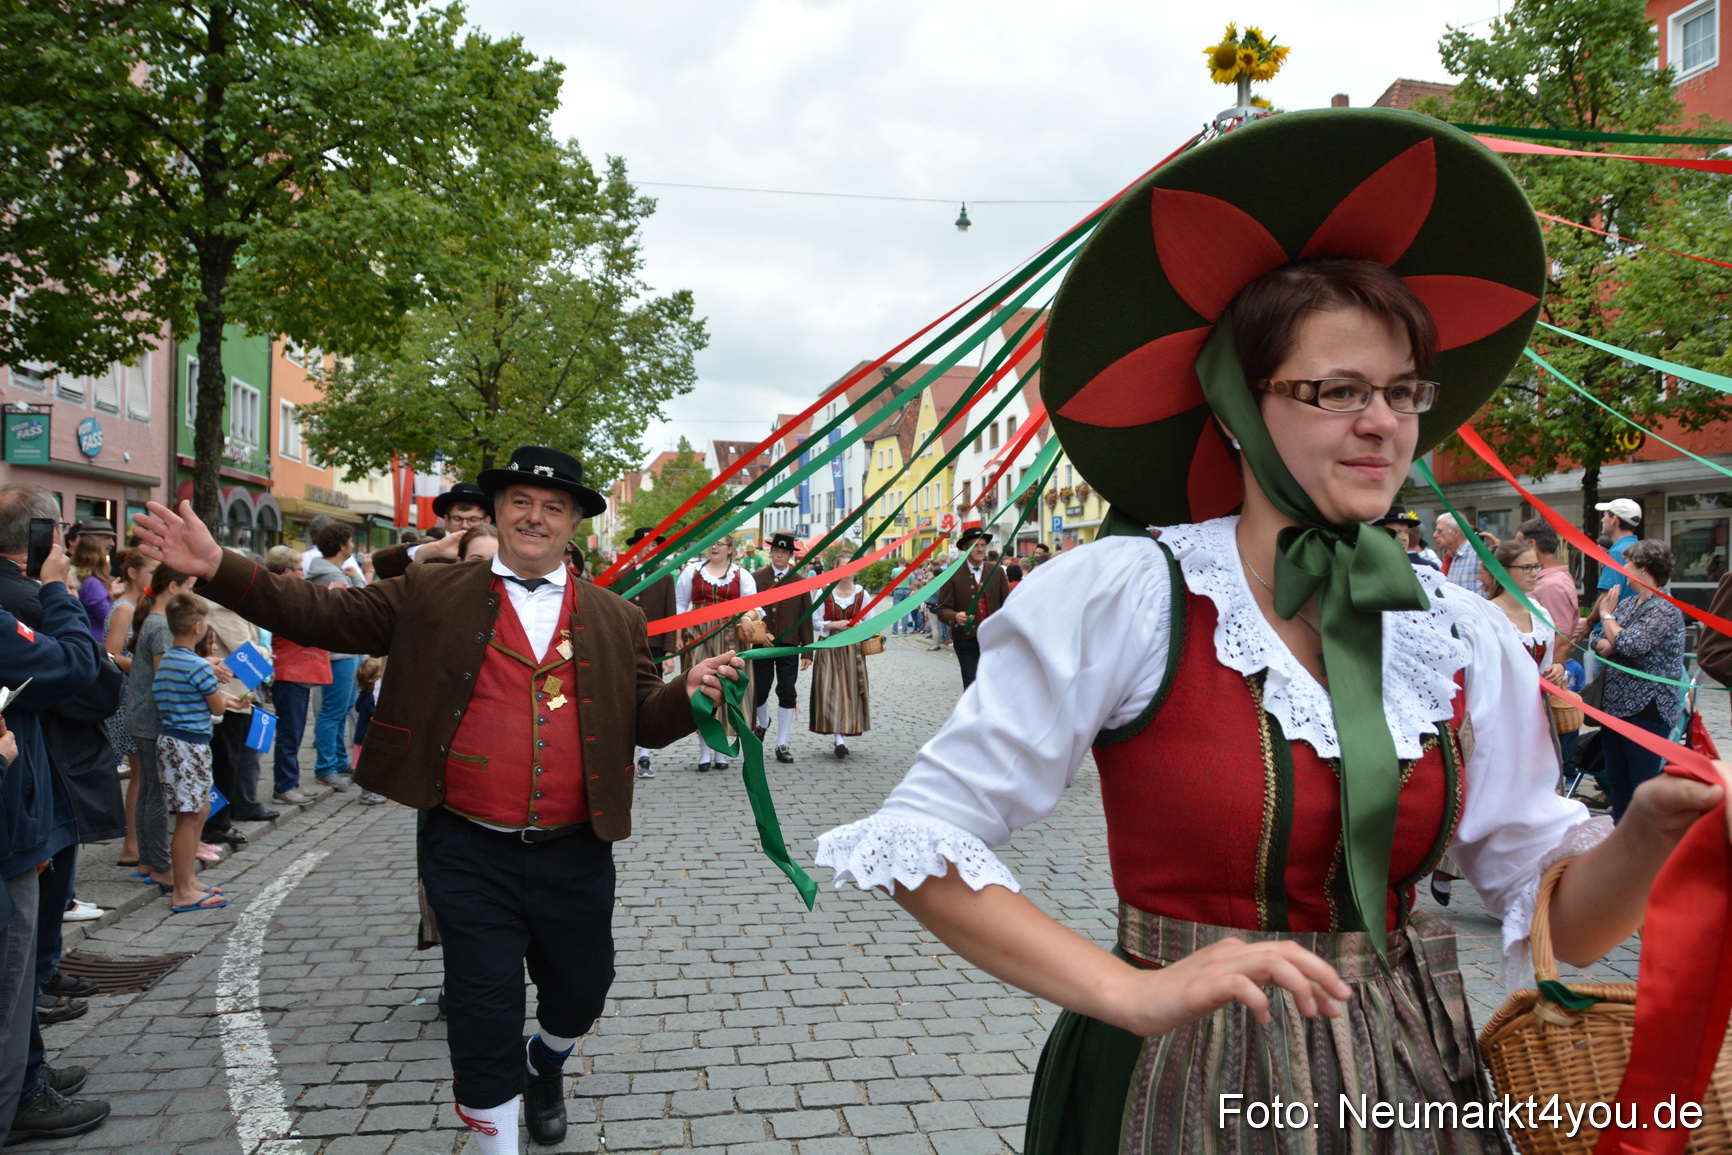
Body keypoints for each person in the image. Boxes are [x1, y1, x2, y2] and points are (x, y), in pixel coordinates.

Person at [814, 111, 1732, 1153]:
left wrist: (1653, 829)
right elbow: (921, 840)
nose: (1383, 422)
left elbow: (1556, 916)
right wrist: (1131, 991)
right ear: (1234, 409)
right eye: (1334, 391)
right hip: (1179, 1080)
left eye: (1398, 390)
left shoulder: (1459, 632)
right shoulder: (1129, 594)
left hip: (1409, 1077)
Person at [132, 444, 743, 1152]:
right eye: (520, 502)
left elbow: (643, 715)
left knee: (582, 991)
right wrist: (219, 567)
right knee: (482, 1012)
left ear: (574, 521)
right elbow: (317, 614)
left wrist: (687, 696)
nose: (535, 517)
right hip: (467, 845)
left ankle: (545, 1061)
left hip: (576, 847)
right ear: (498, 511)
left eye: (553, 507)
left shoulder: (616, 616)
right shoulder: (433, 592)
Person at [0, 539, 110, 1147]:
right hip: (14, 820)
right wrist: (56, 592)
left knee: (20, 981)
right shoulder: (24, 599)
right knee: (14, 983)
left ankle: (27, 1076)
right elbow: (80, 672)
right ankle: (16, 1096)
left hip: (28, 805)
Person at [1591, 538, 1687, 823]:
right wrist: (1612, 635)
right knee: (1617, 780)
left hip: (1647, 707)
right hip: (1615, 704)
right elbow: (1600, 639)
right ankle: (1619, 835)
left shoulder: (1665, 608)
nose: (1624, 567)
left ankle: (1644, 845)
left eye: (1628, 562)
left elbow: (1631, 644)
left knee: (1641, 782)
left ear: (1643, 568)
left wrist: (1608, 619)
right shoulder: (1630, 603)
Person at [151, 593, 235, 913]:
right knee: (189, 817)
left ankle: (187, 880)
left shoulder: (169, 661)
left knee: (198, 810)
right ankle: (183, 889)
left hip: (174, 740)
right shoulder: (199, 666)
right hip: (191, 745)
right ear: (199, 627)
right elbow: (216, 706)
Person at [124, 563, 203, 890]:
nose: (192, 594)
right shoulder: (161, 627)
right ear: (172, 587)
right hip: (153, 719)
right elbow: (165, 676)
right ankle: (160, 865)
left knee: (147, 793)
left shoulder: (155, 622)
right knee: (156, 796)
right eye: (190, 587)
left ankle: (146, 859)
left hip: (142, 715)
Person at [674, 535, 760, 771]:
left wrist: (746, 616)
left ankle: (721, 750)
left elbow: (756, 606)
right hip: (698, 637)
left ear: (730, 550)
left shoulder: (742, 575)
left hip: (729, 639)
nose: (714, 546)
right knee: (701, 690)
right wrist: (679, 635)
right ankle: (704, 750)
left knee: (725, 689)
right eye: (711, 542)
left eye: (720, 543)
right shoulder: (692, 572)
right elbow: (680, 605)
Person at [261, 545, 331, 807]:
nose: (303, 573)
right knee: (290, 732)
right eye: (300, 568)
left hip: (298, 670)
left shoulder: (288, 594)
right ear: (287, 571)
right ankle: (284, 785)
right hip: (290, 670)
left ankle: (291, 782)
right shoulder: (282, 597)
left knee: (296, 731)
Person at [307, 522, 366, 793]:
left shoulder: (332, 570)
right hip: (337, 653)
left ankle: (340, 761)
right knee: (332, 711)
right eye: (350, 541)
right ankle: (326, 767)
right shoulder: (328, 575)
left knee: (343, 709)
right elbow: (360, 604)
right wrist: (357, 578)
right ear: (342, 545)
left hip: (346, 650)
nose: (352, 546)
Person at [106, 549, 155, 869]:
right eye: (152, 570)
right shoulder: (124, 607)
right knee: (139, 773)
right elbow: (110, 654)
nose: (156, 576)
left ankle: (140, 841)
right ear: (134, 573)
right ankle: (131, 844)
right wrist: (143, 666)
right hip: (127, 696)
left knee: (146, 773)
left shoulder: (143, 605)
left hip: (139, 691)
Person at [751, 532, 814, 764]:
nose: (779, 554)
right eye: (776, 550)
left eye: (784, 551)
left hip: (789, 645)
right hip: (762, 644)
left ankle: (782, 742)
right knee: (760, 690)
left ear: (790, 555)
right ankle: (763, 721)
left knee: (787, 691)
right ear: (771, 552)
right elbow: (749, 609)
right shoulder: (756, 578)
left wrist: (808, 651)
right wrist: (760, 631)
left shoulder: (799, 581)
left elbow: (805, 616)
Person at [622, 528, 677, 778]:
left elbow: (670, 613)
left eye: (651, 544)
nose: (646, 548)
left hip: (654, 647)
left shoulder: (665, 577)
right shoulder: (621, 577)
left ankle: (645, 757)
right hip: (623, 645)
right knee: (622, 700)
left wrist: (670, 650)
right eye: (642, 544)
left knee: (650, 699)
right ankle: (622, 755)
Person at [1481, 539, 1566, 683]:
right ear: (1502, 570)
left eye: (1536, 566)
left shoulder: (1540, 613)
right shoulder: (1487, 615)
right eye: (1526, 567)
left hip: (1537, 702)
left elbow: (1545, 666)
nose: (1534, 573)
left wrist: (1556, 669)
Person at [934, 526, 1008, 689]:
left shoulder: (996, 572)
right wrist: (955, 617)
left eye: (983, 545)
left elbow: (1006, 605)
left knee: (994, 685)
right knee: (971, 685)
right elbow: (942, 610)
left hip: (993, 639)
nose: (980, 549)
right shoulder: (952, 573)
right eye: (976, 545)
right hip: (966, 640)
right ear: (965, 549)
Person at [809, 570, 873, 757]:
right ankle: (838, 738)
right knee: (831, 690)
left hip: (853, 649)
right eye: (842, 568)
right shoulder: (824, 592)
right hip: (829, 646)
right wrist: (833, 625)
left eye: (851, 568)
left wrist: (862, 627)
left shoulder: (862, 594)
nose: (846, 573)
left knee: (849, 691)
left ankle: (842, 735)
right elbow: (815, 620)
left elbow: (872, 621)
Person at [371, 482, 494, 579]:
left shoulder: (500, 553)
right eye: (457, 518)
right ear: (446, 520)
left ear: (486, 520)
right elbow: (380, 562)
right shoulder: (434, 553)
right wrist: (436, 549)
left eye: (473, 519)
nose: (465, 525)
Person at [1575, 498, 1643, 643]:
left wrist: (1589, 620)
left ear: (1614, 520)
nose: (1602, 520)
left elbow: (1608, 596)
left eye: (1605, 515)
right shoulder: (1639, 549)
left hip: (1609, 636)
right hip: (1629, 633)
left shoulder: (1617, 553)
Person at [1515, 517, 1579, 643]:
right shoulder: (1544, 581)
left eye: (1518, 545)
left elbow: (1560, 638)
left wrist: (1554, 663)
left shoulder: (1553, 585)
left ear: (1532, 544)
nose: (1515, 552)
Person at [69, 522, 114, 643]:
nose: (112, 543)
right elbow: (108, 619)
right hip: (96, 642)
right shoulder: (93, 584)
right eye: (106, 538)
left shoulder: (75, 577)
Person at [1433, 512, 1482, 595]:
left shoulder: (1477, 555)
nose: (1435, 535)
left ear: (1456, 532)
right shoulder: (1451, 556)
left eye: (1440, 531)